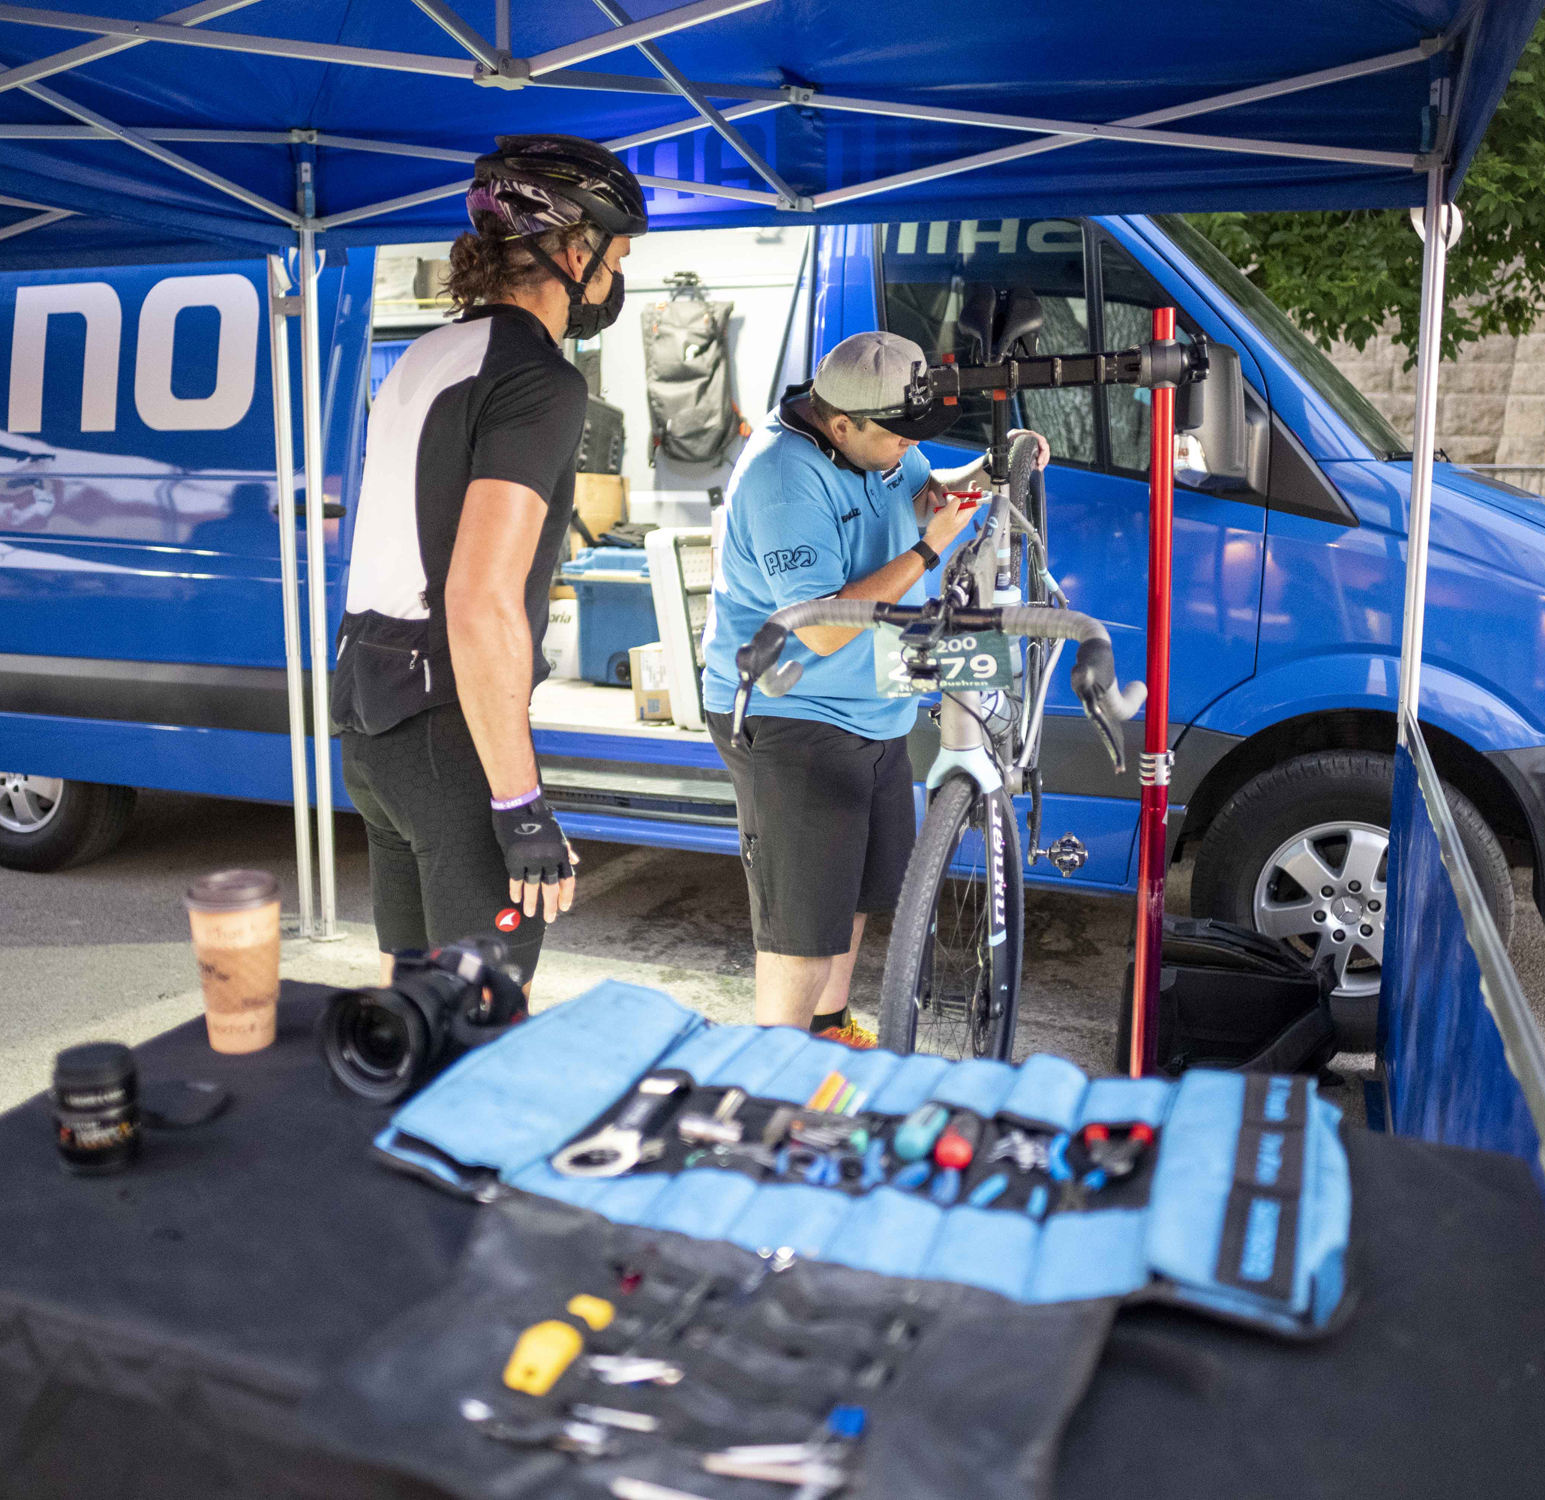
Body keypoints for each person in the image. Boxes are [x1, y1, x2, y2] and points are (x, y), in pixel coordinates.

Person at [333, 134, 643, 981]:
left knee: (417, 1004)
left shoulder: (426, 358)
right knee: (483, 1022)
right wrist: (519, 801)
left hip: (370, 722)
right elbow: (481, 599)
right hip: (446, 734)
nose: (613, 280)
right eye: (614, 259)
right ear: (573, 251)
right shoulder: (540, 380)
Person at [700, 331, 1048, 1045]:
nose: (905, 448)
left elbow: (922, 491)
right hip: (792, 703)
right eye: (897, 438)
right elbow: (822, 628)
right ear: (840, 425)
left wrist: (988, 468)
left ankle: (826, 1025)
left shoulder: (879, 435)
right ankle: (777, 1069)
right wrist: (931, 549)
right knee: (802, 920)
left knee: (855, 888)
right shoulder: (781, 478)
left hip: (873, 697)